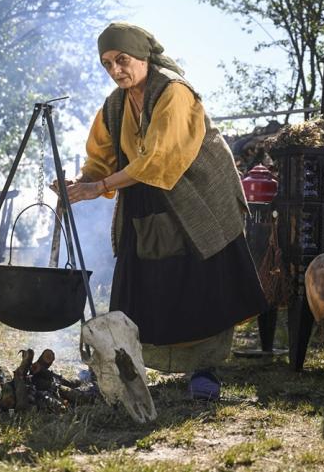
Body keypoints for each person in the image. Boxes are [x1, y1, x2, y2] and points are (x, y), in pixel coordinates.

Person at [56, 22, 268, 400]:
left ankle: (204, 373)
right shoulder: (115, 104)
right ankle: (120, 366)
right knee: (138, 287)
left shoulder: (174, 91)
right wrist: (80, 182)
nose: (115, 70)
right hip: (144, 200)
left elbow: (159, 160)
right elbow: (101, 158)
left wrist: (98, 188)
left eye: (122, 60)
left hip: (196, 202)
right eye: (106, 64)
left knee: (198, 289)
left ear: (142, 56)